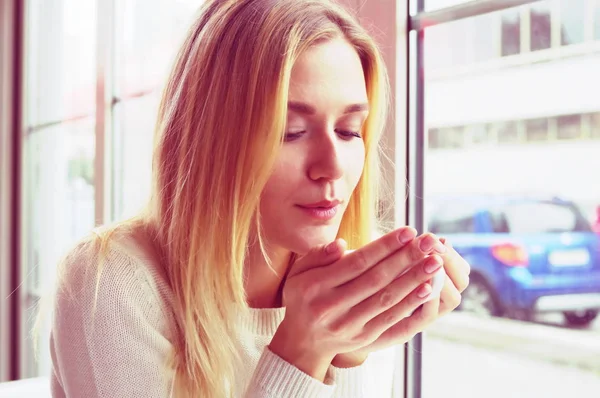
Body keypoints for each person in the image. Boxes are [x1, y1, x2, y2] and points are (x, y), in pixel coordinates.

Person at [47, 0, 470, 397]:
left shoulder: (359, 276)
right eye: (291, 132)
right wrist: (304, 351)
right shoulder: (110, 281)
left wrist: (348, 350)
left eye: (349, 130)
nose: (333, 166)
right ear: (210, 138)